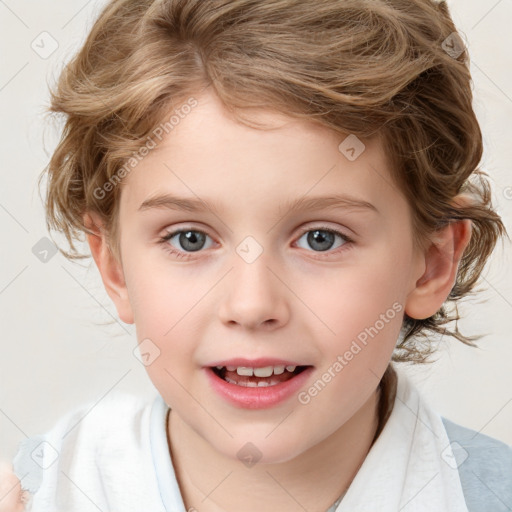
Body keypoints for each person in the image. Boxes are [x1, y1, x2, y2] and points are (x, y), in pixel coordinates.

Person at [2, 0, 511, 510]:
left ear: (432, 263)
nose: (251, 305)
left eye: (321, 238)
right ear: (114, 267)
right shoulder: (37, 493)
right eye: (190, 239)